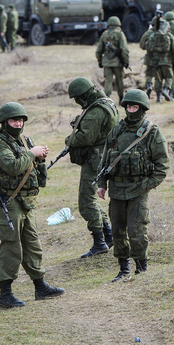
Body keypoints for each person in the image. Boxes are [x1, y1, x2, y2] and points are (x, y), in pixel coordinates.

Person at [0, 102, 65, 308]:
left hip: (26, 201)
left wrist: (40, 158)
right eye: (13, 120)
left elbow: (32, 168)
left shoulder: (24, 140)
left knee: (32, 243)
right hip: (9, 201)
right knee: (12, 245)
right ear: (4, 122)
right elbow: (12, 167)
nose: (18, 123)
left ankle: (40, 286)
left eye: (20, 120)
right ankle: (6, 294)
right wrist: (32, 153)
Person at [96, 89, 169, 281]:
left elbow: (162, 164)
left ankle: (141, 267)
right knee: (118, 231)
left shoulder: (151, 132)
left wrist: (148, 185)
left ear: (142, 109)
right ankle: (123, 269)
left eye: (135, 106)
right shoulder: (117, 130)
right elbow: (105, 160)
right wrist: (102, 184)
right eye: (128, 106)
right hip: (117, 190)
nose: (131, 110)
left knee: (136, 230)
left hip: (138, 189)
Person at [65, 78, 120, 258]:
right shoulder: (107, 103)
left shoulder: (96, 111)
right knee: (92, 201)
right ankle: (108, 236)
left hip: (96, 159)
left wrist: (69, 140)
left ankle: (99, 243)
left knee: (86, 202)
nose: (78, 103)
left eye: (78, 98)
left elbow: (85, 138)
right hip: (102, 156)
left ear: (85, 95)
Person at [139, 16, 174, 103]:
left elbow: (144, 46)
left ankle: (157, 96)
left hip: (153, 59)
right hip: (166, 60)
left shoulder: (150, 34)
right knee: (169, 76)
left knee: (156, 77)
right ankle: (165, 90)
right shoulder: (168, 35)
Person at [95, 16, 129, 103]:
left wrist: (100, 61)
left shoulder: (104, 34)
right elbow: (124, 49)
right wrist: (126, 61)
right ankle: (121, 98)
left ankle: (106, 98)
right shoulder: (120, 34)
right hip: (118, 63)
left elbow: (99, 50)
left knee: (108, 81)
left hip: (107, 62)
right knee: (119, 80)